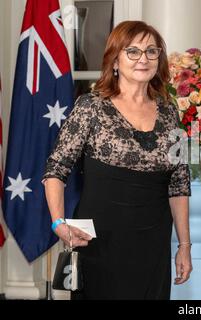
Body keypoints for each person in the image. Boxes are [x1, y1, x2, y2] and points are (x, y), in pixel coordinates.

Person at [43, 21, 192, 300]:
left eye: (151, 51)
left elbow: (179, 183)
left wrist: (184, 245)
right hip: (101, 242)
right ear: (115, 59)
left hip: (153, 243)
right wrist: (57, 222)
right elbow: (56, 168)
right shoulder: (90, 106)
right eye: (132, 51)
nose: (143, 59)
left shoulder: (170, 111)